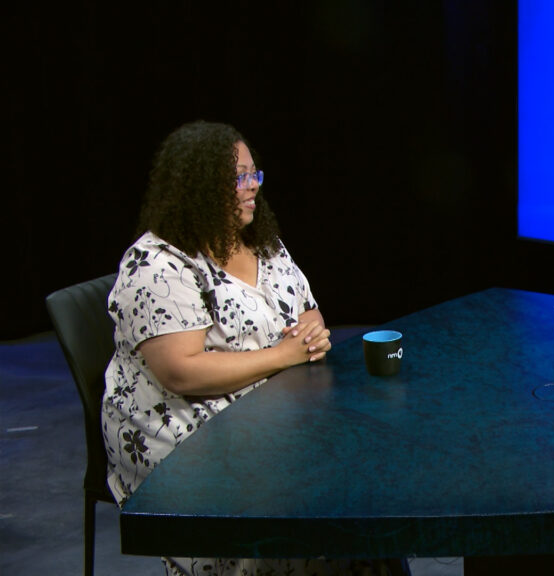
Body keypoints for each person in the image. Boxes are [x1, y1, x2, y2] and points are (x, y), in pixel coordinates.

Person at [102, 121, 399, 576]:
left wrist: (312, 329)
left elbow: (308, 312)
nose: (251, 187)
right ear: (198, 187)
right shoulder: (157, 264)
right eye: (238, 178)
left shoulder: (262, 243)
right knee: (295, 519)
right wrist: (284, 356)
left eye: (254, 174)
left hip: (279, 409)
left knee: (362, 492)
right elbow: (181, 371)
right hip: (187, 432)